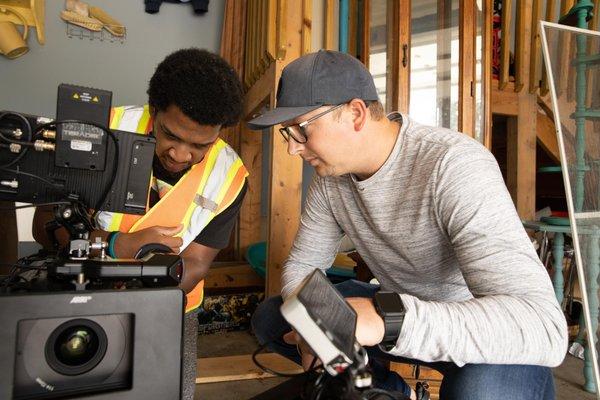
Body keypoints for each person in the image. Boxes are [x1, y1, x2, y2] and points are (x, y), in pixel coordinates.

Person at [248, 50, 567, 400]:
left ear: (355, 114)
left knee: (478, 392)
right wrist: (312, 324)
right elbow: (303, 264)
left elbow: (543, 327)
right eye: (287, 134)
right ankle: (387, 393)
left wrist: (388, 319)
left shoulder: (454, 165)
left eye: (301, 131)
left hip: (482, 331)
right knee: (274, 317)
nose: (294, 149)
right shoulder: (331, 180)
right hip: (400, 317)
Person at [33, 48, 247, 400]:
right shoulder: (101, 133)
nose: (180, 154)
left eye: (199, 145)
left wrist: (136, 296)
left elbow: (194, 264)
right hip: (81, 295)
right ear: (153, 110)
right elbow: (44, 227)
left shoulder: (230, 175)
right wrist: (118, 246)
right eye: (171, 135)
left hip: (171, 305)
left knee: (168, 390)